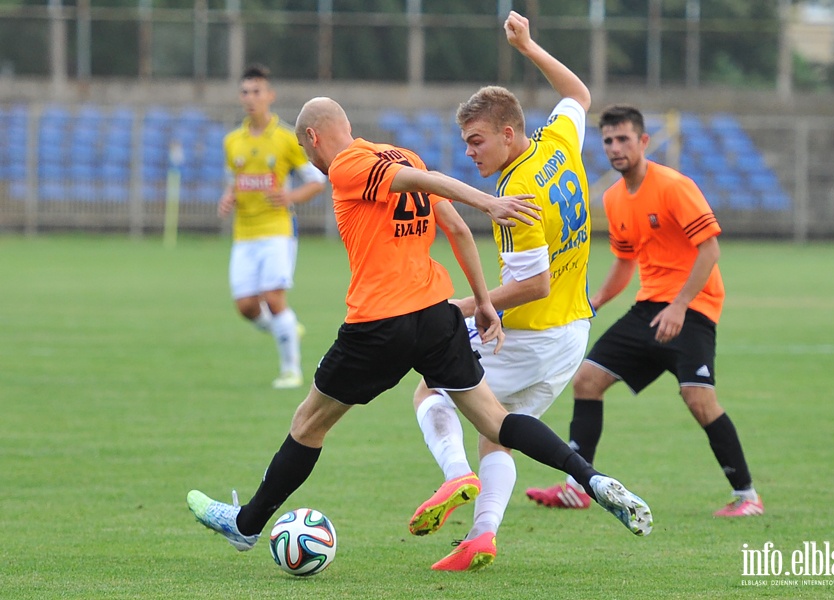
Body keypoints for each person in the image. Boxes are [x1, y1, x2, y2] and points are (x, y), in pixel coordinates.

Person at [187, 97, 652, 569]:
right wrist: (484, 301)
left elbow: (422, 186)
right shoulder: (401, 153)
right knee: (494, 421)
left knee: (309, 424)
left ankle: (246, 525)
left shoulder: (349, 165)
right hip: (436, 314)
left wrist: (487, 200)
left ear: (312, 138)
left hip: (378, 323)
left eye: (307, 154)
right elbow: (455, 229)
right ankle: (589, 478)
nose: (313, 164)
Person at [406, 10, 620, 572]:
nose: (470, 152)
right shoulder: (556, 143)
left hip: (536, 331)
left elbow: (532, 283)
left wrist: (467, 305)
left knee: (430, 386)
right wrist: (528, 46)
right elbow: (578, 91)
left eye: (477, 142)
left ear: (507, 132)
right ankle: (481, 538)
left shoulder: (515, 197)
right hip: (572, 331)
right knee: (495, 433)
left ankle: (456, 477)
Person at [525, 104, 763, 518]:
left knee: (698, 398)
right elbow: (624, 261)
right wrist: (594, 301)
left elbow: (710, 250)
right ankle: (577, 488)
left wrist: (680, 305)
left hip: (694, 305)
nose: (615, 148)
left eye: (624, 139)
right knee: (587, 380)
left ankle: (747, 497)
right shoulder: (615, 198)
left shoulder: (673, 186)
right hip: (649, 307)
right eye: (608, 141)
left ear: (643, 142)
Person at [218, 64, 327, 389]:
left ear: (269, 95)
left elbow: (317, 181)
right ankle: (286, 328)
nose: (250, 98)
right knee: (246, 306)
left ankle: (291, 370)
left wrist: (289, 196)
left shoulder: (284, 138)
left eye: (256, 91)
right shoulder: (232, 141)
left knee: (274, 298)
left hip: (277, 231)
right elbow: (233, 182)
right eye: (245, 92)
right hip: (244, 233)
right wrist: (229, 198)